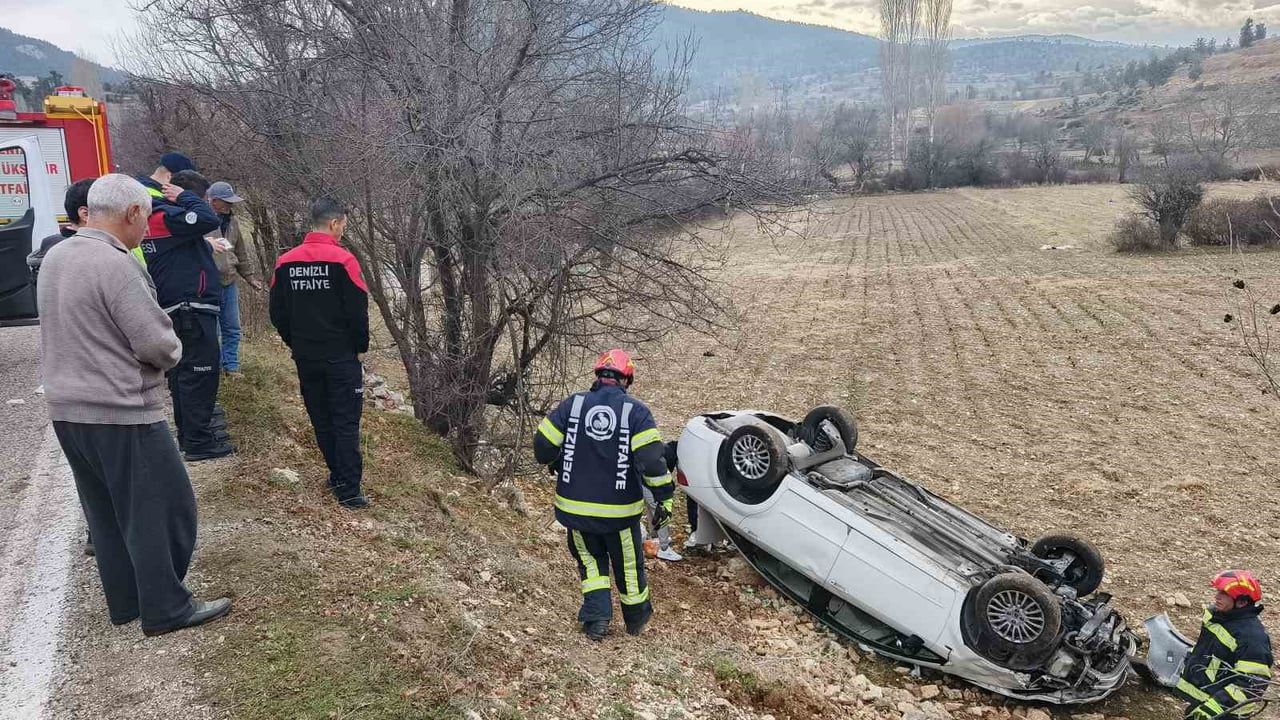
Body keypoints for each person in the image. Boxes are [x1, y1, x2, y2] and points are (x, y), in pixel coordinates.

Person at [37, 173, 231, 637]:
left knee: (104, 510)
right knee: (166, 505)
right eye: (145, 216)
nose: (148, 226)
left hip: (67, 409)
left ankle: (126, 600)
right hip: (120, 409)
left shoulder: (56, 256)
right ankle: (165, 607)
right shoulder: (116, 263)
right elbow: (157, 343)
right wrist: (173, 351)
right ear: (129, 213)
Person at [532, 349, 674, 641]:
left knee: (590, 562)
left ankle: (596, 620)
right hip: (618, 513)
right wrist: (664, 497)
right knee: (628, 566)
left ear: (598, 376)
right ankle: (635, 622)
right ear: (627, 380)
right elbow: (651, 462)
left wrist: (562, 459)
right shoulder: (636, 413)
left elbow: (541, 447)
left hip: (576, 510)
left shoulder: (573, 405)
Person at [269, 198, 370, 509]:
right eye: (343, 226)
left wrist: (295, 341)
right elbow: (358, 313)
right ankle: (350, 490)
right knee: (345, 420)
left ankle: (337, 475)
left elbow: (277, 312)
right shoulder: (344, 261)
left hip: (306, 356)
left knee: (321, 417)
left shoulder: (285, 262)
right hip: (340, 357)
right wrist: (359, 347)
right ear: (334, 224)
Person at [136, 158, 230, 461]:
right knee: (198, 374)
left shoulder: (166, 219)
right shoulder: (166, 215)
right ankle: (198, 442)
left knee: (183, 376)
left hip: (183, 306)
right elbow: (207, 219)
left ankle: (192, 437)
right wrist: (184, 197)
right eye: (200, 198)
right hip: (188, 307)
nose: (204, 204)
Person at [1177, 570, 1274, 719]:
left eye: (1224, 594)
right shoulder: (1217, 616)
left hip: (1226, 711)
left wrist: (1212, 709)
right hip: (1205, 699)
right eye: (1218, 591)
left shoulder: (1253, 639)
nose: (1217, 597)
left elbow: (1251, 686)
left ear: (1241, 602)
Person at [206, 181, 263, 376]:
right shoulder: (201, 220)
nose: (231, 205)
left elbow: (240, 251)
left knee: (232, 326)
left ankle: (231, 365)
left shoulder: (233, 221)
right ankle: (213, 366)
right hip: (207, 284)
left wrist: (249, 277)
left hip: (229, 281)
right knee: (212, 331)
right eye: (226, 201)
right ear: (214, 201)